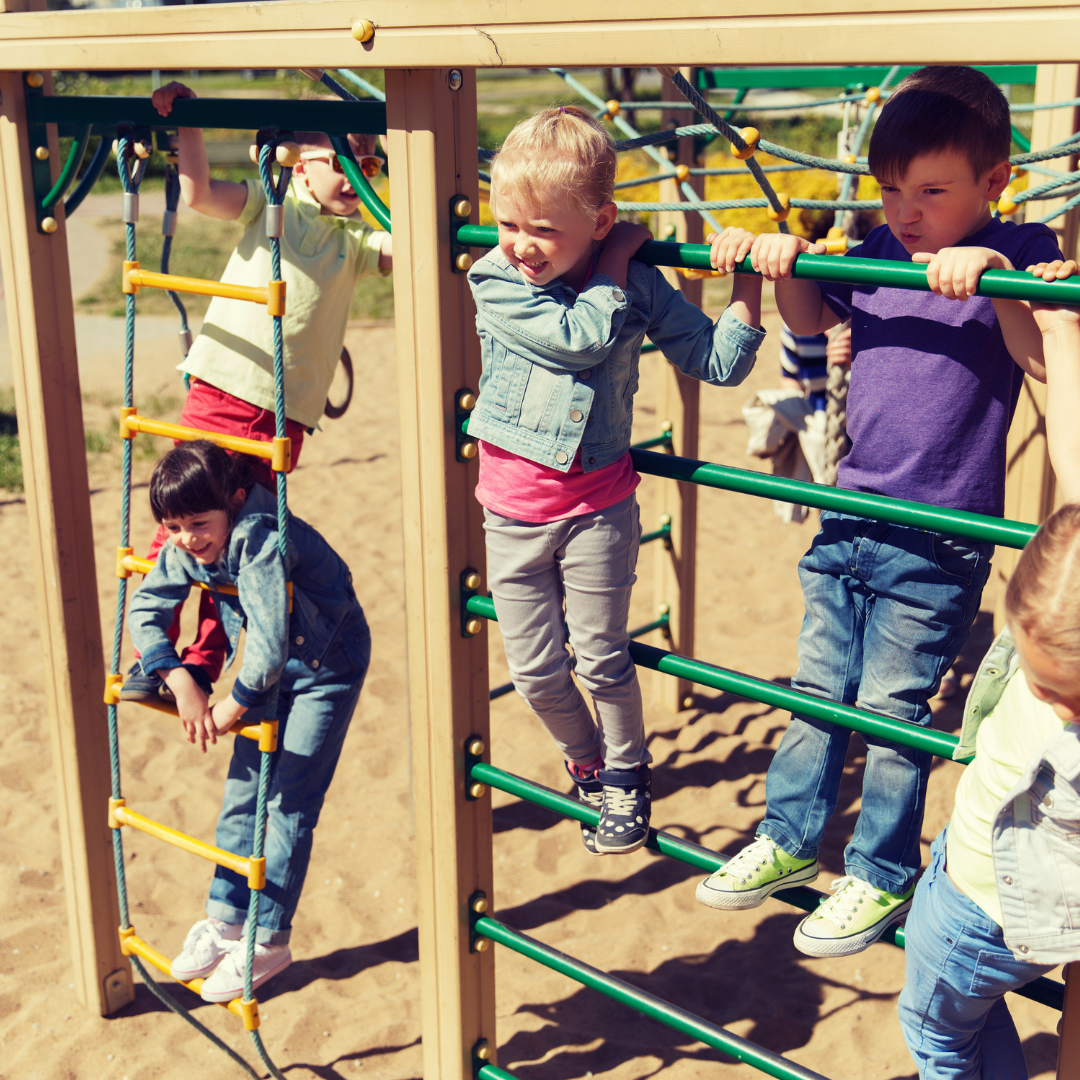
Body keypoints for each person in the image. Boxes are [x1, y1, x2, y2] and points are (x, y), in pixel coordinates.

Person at [695, 65, 1064, 957]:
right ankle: (788, 840)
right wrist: (780, 259)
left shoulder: (1021, 244)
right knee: (819, 691)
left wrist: (997, 276)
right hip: (849, 512)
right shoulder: (877, 249)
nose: (907, 212)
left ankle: (878, 874)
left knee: (894, 711)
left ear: (993, 183)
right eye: (893, 190)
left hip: (941, 536)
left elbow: (1043, 359)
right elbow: (810, 318)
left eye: (932, 193)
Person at [466, 105, 767, 854]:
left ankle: (627, 778)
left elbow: (717, 363)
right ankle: (587, 760)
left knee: (602, 659)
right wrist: (608, 265)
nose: (522, 245)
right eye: (509, 222)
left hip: (598, 507)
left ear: (601, 220)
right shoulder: (494, 278)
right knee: (535, 672)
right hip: (510, 513)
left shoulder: (634, 278)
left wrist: (748, 283)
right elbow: (577, 340)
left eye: (544, 229)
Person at [121, 80, 391, 706]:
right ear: (298, 162)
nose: (360, 175)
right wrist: (188, 124)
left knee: (241, 544)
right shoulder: (276, 206)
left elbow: (410, 247)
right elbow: (199, 194)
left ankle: (203, 663)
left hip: (283, 418)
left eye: (371, 162)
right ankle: (151, 659)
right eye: (346, 160)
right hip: (223, 386)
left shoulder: (356, 240)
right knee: (188, 521)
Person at [898, 258, 1080, 1072]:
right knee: (975, 1026)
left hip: (974, 906)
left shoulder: (1056, 705)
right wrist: (1056, 324)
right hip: (1050, 919)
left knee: (937, 1032)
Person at [127, 440, 371, 1001]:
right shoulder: (188, 540)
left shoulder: (257, 535)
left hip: (327, 665)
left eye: (198, 523)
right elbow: (146, 607)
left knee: (289, 801)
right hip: (273, 668)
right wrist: (180, 678)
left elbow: (266, 642)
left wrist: (228, 707)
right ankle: (227, 920)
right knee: (243, 792)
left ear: (234, 501)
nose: (189, 538)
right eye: (174, 526)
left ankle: (267, 942)